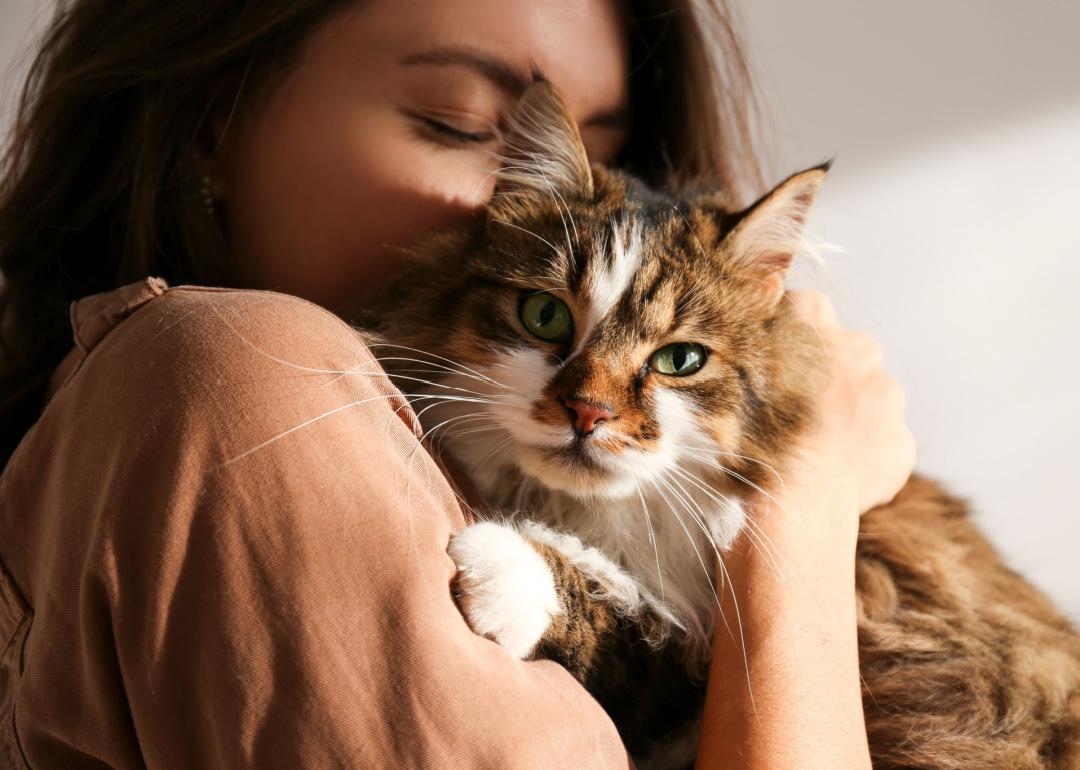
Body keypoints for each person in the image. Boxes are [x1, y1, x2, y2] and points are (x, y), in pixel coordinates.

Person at [0, 0, 915, 767]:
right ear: (212, 118)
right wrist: (803, 506)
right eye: (467, 126)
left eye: (604, 154)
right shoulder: (244, 375)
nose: (529, 206)